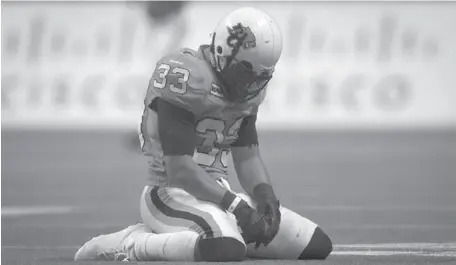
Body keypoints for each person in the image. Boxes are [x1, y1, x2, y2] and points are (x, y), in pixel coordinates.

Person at [74, 6, 332, 262]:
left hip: (219, 196)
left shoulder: (250, 92)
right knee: (226, 248)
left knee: (315, 244)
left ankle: (218, 233)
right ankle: (132, 242)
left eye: (260, 76)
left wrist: (267, 198)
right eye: (246, 72)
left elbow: (247, 157)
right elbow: (180, 170)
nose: (251, 83)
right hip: (170, 193)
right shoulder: (187, 76)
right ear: (223, 51)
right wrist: (236, 207)